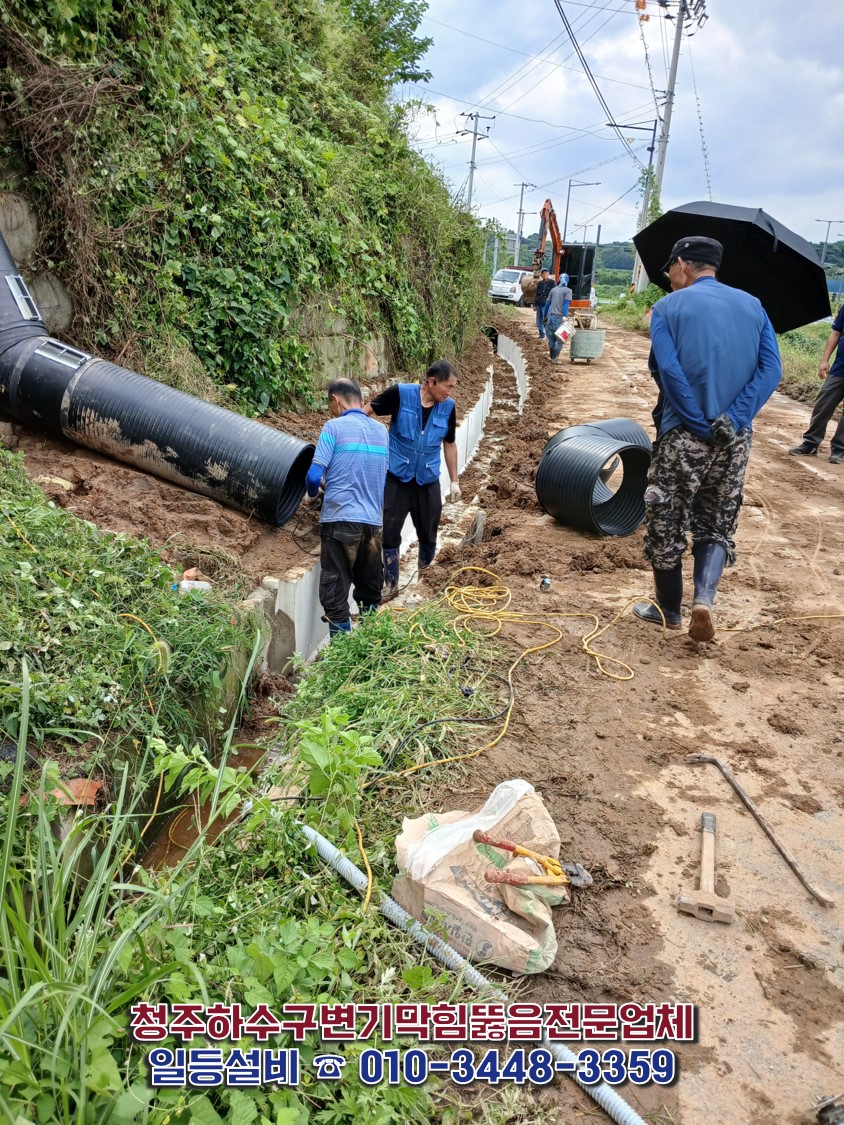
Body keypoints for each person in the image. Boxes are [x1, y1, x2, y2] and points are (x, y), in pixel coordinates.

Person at [634, 236, 782, 643]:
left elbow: (669, 371)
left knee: (666, 520)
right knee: (717, 522)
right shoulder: (754, 307)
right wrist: (733, 419)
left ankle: (668, 610)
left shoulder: (666, 308)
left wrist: (697, 423)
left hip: (683, 435)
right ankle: (704, 600)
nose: (670, 278)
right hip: (734, 440)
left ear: (683, 264)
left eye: (670, 270)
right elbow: (771, 372)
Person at [365, 360, 460, 599]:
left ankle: (424, 582)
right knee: (390, 532)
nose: (450, 392)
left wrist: (455, 480)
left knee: (429, 533)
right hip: (397, 479)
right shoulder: (400, 394)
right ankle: (391, 584)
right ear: (431, 382)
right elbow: (368, 411)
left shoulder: (448, 407)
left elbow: (449, 444)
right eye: (448, 386)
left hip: (427, 482)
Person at [306, 378, 389, 639]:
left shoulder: (333, 427)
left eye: (330, 404)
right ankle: (370, 648)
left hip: (340, 523)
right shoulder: (381, 432)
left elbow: (313, 475)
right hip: (373, 526)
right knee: (369, 592)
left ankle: (342, 655)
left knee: (335, 594)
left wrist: (312, 495)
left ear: (335, 400)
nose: (330, 410)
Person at [787, 305, 844, 464]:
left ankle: (839, 449)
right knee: (823, 404)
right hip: (840, 368)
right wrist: (825, 360)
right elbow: (836, 332)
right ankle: (810, 443)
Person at [543, 274, 572, 363]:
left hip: (551, 317)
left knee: (551, 339)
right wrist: (565, 316)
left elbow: (547, 304)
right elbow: (566, 305)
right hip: (560, 318)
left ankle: (552, 357)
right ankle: (554, 358)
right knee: (560, 340)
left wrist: (545, 316)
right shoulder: (568, 291)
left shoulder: (553, 290)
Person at [533, 268, 555, 340]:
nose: (544, 274)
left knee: (546, 320)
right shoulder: (540, 284)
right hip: (539, 304)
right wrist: (535, 305)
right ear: (541, 275)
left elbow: (554, 294)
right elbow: (536, 294)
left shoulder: (552, 283)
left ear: (548, 274)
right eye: (543, 273)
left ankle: (548, 335)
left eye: (545, 273)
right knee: (539, 320)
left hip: (547, 305)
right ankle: (541, 335)